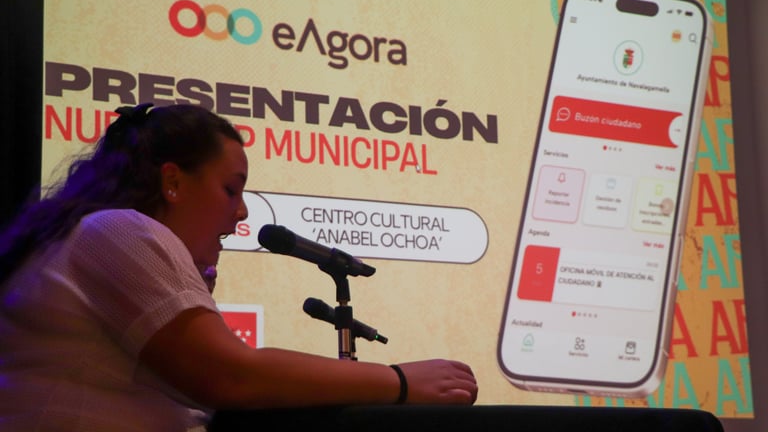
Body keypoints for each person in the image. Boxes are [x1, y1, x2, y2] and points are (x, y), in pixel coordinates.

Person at [0, 103, 478, 431]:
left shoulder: (87, 234)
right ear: (172, 182)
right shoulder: (117, 230)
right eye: (231, 189)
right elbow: (231, 375)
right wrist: (400, 381)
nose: (242, 211)